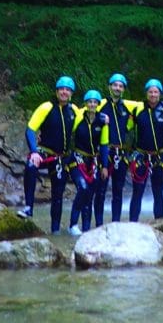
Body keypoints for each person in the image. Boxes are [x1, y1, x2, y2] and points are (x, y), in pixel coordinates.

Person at [18, 75, 77, 234]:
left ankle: (55, 231)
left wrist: (101, 118)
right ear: (57, 91)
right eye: (61, 89)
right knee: (31, 165)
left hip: (61, 158)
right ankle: (29, 207)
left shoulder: (74, 111)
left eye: (67, 90)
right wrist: (34, 152)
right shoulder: (46, 107)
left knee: (57, 195)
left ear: (71, 93)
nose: (64, 92)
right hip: (45, 152)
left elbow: (87, 123)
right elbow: (30, 129)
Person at [96, 73, 140, 222]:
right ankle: (99, 224)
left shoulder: (127, 106)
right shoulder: (100, 104)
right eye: (115, 85)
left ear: (124, 89)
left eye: (120, 86)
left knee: (118, 191)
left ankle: (115, 222)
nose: (117, 88)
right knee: (100, 191)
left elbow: (147, 104)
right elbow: (83, 114)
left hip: (120, 155)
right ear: (109, 87)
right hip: (104, 153)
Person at [67, 89, 110, 235]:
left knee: (90, 195)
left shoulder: (102, 121)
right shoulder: (78, 116)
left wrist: (105, 166)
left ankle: (86, 229)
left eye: (95, 102)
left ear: (98, 104)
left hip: (94, 162)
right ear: (85, 103)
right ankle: (73, 224)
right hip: (77, 160)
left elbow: (104, 144)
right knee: (83, 189)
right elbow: (66, 131)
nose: (92, 104)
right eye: (89, 102)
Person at [128, 78, 163, 221]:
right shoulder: (137, 109)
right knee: (137, 191)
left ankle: (159, 223)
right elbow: (126, 127)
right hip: (141, 156)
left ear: (160, 94)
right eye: (150, 92)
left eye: (156, 92)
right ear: (146, 93)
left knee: (158, 192)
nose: (153, 95)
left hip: (159, 156)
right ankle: (133, 223)